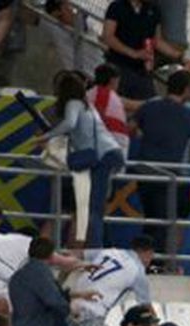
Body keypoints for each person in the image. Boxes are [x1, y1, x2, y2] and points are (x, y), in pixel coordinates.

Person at [32, 72, 125, 248]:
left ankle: (40, 255)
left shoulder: (50, 111)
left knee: (56, 216)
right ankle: (74, 257)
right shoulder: (86, 109)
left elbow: (41, 142)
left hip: (65, 169)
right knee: (79, 218)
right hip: (84, 169)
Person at [133, 69, 190, 253]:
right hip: (169, 174)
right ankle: (160, 263)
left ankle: (144, 260)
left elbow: (131, 128)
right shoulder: (189, 115)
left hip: (144, 171)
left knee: (151, 219)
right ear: (187, 89)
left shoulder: (149, 107)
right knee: (167, 223)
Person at [67, 238, 154, 326]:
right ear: (148, 253)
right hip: (93, 312)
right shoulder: (138, 271)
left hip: (69, 303)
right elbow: (147, 307)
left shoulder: (109, 252)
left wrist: (61, 278)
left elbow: (73, 254)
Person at [101, 0, 184, 100]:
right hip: (118, 67)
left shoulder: (153, 10)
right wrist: (134, 53)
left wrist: (179, 56)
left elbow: (156, 41)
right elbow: (107, 36)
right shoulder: (117, 7)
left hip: (142, 71)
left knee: (149, 105)